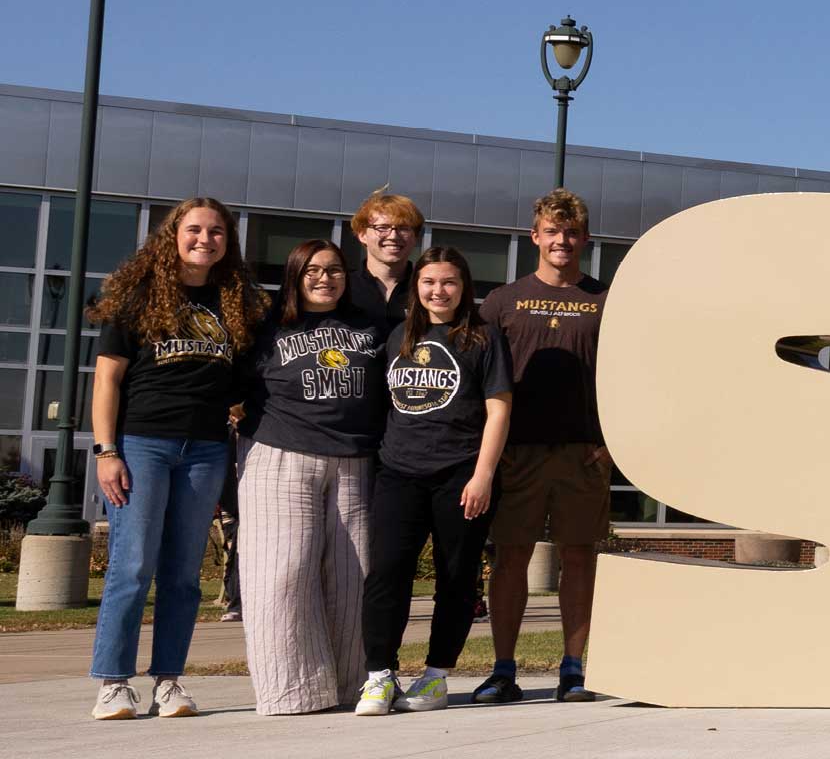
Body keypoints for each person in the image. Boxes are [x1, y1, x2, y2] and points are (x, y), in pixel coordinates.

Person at [84, 198, 264, 721]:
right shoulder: (137, 296)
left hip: (206, 449)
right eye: (194, 230)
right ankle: (113, 683)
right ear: (173, 236)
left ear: (227, 243)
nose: (205, 239)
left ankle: (169, 680)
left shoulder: (237, 302)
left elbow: (244, 384)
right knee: (133, 565)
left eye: (216, 232)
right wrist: (106, 450)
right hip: (142, 444)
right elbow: (108, 378)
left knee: (184, 574)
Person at [234, 240, 389, 715]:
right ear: (295, 275)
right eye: (314, 271)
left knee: (354, 577)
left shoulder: (371, 326)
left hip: (355, 462)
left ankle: (351, 688)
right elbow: (227, 381)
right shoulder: (267, 327)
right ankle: (290, 692)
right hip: (280, 456)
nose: (325, 278)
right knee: (281, 574)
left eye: (335, 270)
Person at [357, 247, 511, 716]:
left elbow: (499, 408)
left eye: (448, 282)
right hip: (399, 473)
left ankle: (436, 676)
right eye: (428, 282)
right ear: (415, 287)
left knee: (456, 579)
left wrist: (483, 475)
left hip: (460, 475)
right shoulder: (399, 336)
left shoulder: (484, 338)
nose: (438, 291)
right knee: (386, 573)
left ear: (464, 288)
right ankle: (380, 676)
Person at [478, 189, 609, 704]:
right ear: (535, 236)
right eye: (552, 232)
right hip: (518, 452)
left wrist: (610, 443)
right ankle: (503, 669)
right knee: (511, 559)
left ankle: (573, 668)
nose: (562, 241)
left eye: (571, 232)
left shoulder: (605, 300)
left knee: (580, 557)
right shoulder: (502, 302)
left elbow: (627, 376)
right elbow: (478, 379)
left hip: (584, 451)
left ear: (585, 238)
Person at [340, 188, 422, 327]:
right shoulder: (342, 287)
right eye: (382, 227)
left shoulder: (427, 289)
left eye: (403, 228)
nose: (393, 236)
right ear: (362, 235)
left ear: (415, 237)